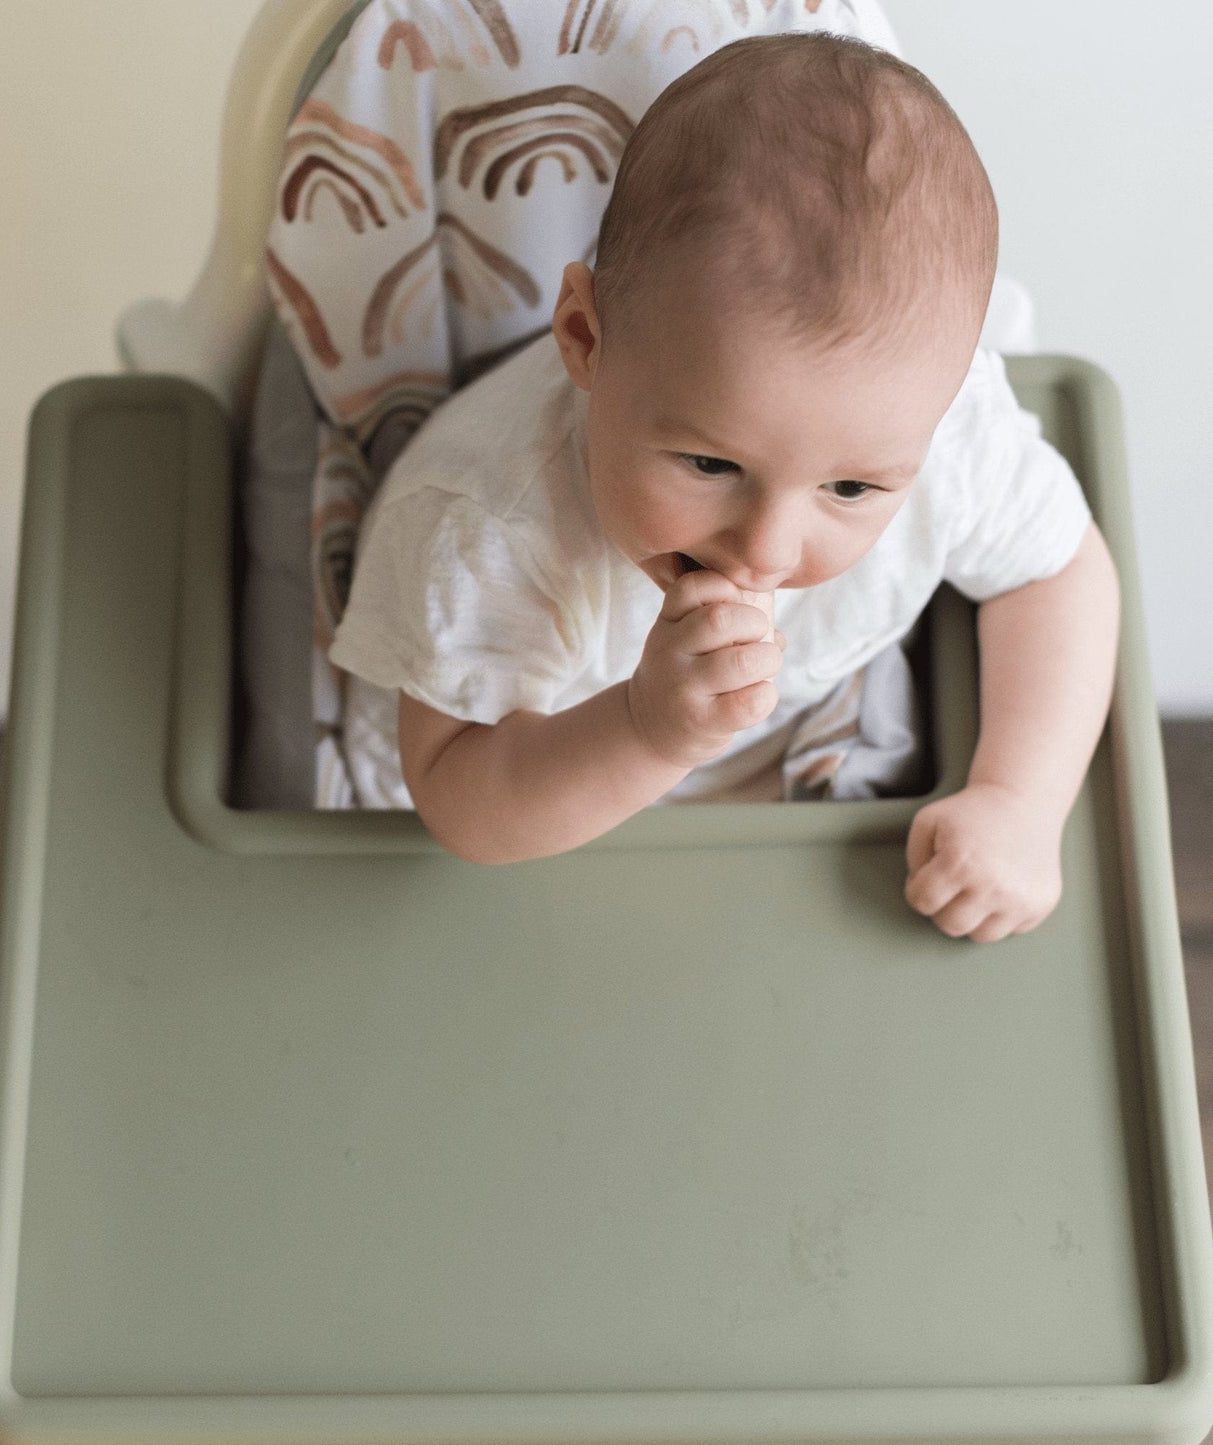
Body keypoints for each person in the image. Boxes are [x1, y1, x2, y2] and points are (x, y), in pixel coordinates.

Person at [325, 32, 1120, 944]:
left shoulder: (936, 429)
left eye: (852, 488)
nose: (766, 550)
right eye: (710, 465)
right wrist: (642, 729)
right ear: (585, 337)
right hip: (524, 830)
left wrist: (1020, 799)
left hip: (796, 816)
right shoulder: (492, 529)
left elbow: (1059, 571)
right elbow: (454, 795)